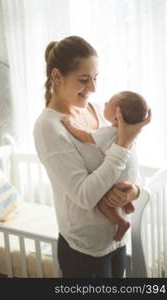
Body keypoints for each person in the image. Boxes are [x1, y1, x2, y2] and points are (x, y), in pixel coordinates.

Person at [33, 35, 151, 278]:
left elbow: (129, 166)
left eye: (95, 78)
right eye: (84, 80)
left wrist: (134, 190)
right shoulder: (49, 128)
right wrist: (124, 143)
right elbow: (85, 196)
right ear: (57, 76)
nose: (94, 88)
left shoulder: (98, 110)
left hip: (117, 241)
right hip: (84, 251)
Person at [61, 90, 149, 241]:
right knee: (119, 192)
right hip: (130, 177)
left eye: (109, 103)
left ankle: (121, 223)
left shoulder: (110, 132)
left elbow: (86, 136)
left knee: (102, 202)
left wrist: (70, 126)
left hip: (118, 176)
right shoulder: (131, 135)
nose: (105, 103)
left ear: (117, 116)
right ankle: (128, 205)